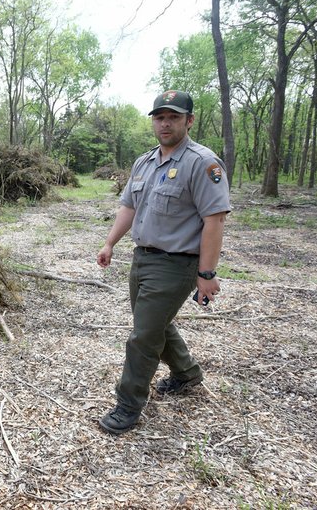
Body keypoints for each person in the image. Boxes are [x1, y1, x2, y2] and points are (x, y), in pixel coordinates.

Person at [95, 89, 231, 435]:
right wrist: (111, 242)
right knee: (155, 324)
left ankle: (128, 405)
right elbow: (129, 207)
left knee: (143, 336)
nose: (165, 123)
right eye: (160, 117)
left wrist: (206, 273)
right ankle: (187, 373)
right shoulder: (144, 162)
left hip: (176, 264)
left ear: (189, 120)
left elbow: (214, 221)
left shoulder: (203, 163)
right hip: (142, 259)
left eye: (173, 117)